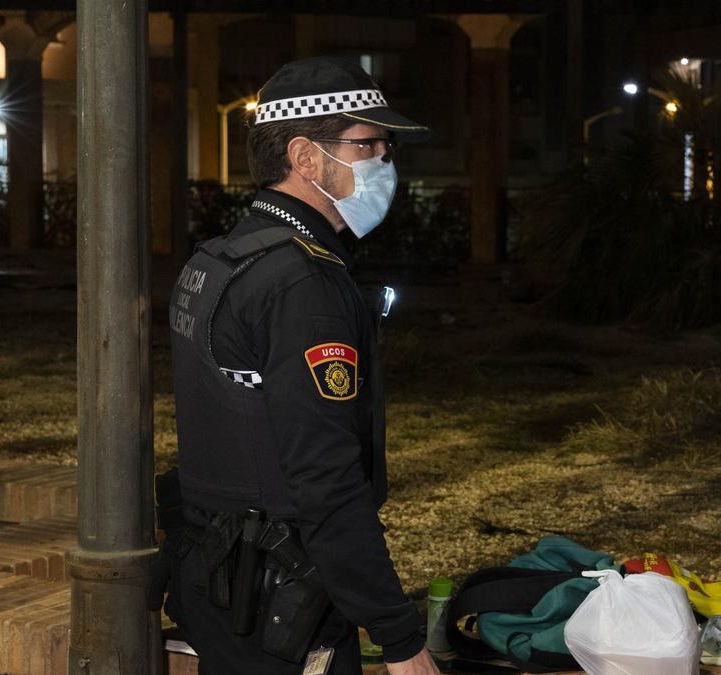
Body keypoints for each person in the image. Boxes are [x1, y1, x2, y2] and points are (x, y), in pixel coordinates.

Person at [165, 57, 439, 674]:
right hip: (282, 603)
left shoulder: (223, 257)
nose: (385, 163)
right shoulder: (300, 283)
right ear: (307, 157)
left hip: (223, 580)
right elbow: (324, 474)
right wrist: (399, 639)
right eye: (369, 144)